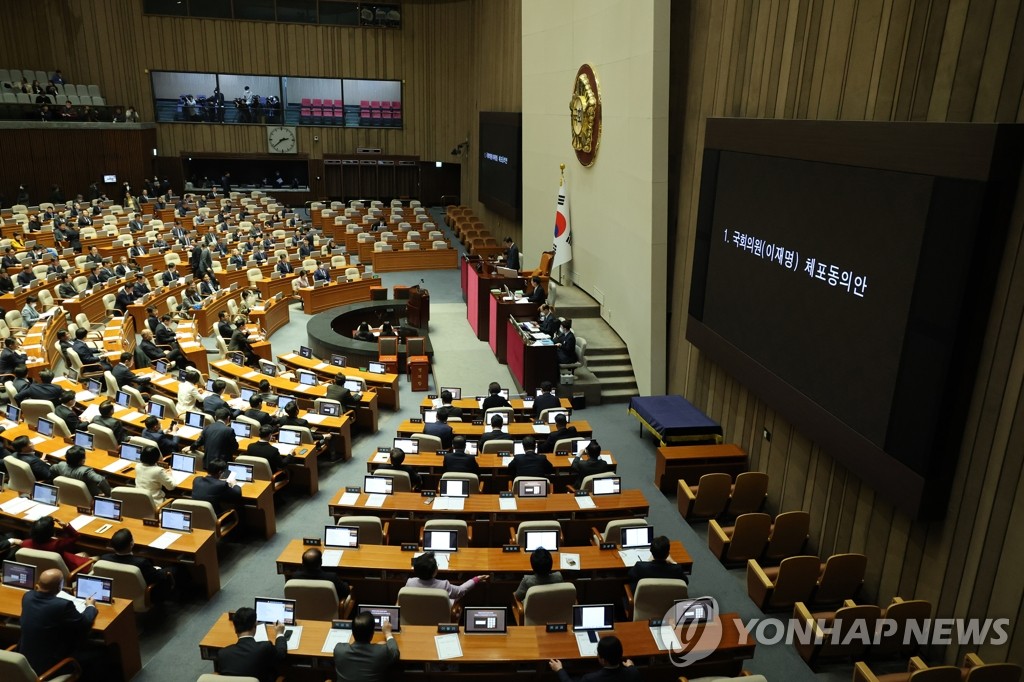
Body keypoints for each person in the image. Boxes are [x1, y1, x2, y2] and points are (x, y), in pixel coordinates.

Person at [19, 568, 99, 681]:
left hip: (25, 658)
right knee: (98, 654)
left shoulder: (27, 596)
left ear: (38, 584)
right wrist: (90, 606)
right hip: (50, 666)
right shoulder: (63, 605)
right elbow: (85, 623)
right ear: (59, 587)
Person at [100, 529, 176, 603]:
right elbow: (158, 577)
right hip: (146, 594)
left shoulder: (104, 558)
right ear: (131, 544)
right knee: (175, 569)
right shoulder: (141, 563)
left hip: (116, 593)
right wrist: (159, 570)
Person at [215, 605, 286, 682]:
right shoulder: (265, 647)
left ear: (235, 629)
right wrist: (279, 633)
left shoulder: (222, 654)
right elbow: (281, 654)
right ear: (255, 625)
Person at [333, 611, 399, 682]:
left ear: (352, 632)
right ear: (372, 633)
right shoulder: (381, 652)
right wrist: (388, 633)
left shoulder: (339, 650)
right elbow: (395, 653)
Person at [406, 552, 488, 605]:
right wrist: (476, 579)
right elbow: (461, 591)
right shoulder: (443, 585)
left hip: (416, 617)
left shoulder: (410, 583)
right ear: (435, 571)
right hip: (439, 618)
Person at [549, 636, 638, 681]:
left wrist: (559, 669)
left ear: (603, 660)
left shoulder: (590, 679)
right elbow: (632, 671)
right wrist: (631, 666)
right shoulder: (633, 672)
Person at [21, 516, 91, 571]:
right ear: (51, 532)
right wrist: (66, 525)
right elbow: (76, 536)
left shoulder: (25, 544)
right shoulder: (56, 545)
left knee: (83, 554)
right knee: (95, 558)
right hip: (73, 568)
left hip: (45, 570)